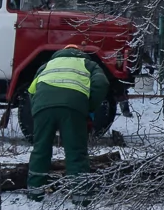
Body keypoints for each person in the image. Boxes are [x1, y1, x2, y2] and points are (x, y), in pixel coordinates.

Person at [25, 47, 108, 198]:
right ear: (81, 53)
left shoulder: (47, 65)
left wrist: (38, 108)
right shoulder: (88, 64)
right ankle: (80, 195)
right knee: (76, 151)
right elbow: (102, 83)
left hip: (43, 106)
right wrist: (89, 107)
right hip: (73, 107)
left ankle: (34, 192)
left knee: (40, 148)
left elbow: (31, 91)